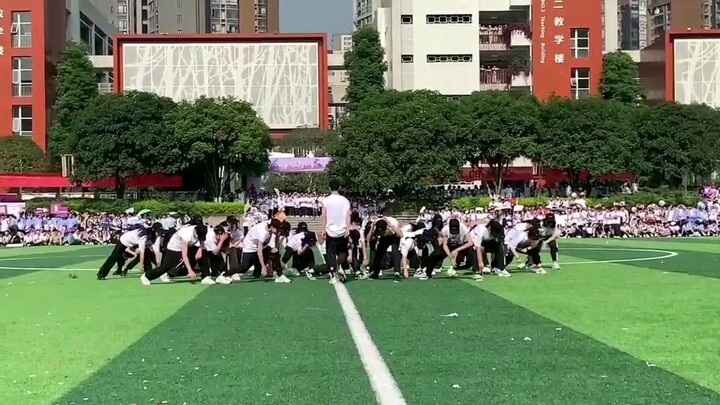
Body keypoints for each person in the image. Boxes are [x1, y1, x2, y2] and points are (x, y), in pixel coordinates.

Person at [216, 218, 284, 284]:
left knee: (274, 252)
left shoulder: (270, 224)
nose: (278, 231)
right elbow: (259, 251)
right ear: (272, 227)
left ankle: (279, 275)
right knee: (244, 267)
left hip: (258, 245)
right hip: (249, 247)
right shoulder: (262, 233)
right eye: (277, 229)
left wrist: (275, 247)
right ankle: (224, 275)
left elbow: (277, 235)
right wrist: (263, 267)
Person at [141, 224, 208, 285]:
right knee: (164, 267)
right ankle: (146, 276)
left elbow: (202, 243)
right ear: (195, 231)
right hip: (174, 248)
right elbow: (184, 255)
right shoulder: (186, 234)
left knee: (203, 254)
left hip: (190, 246)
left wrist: (200, 250)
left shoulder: (201, 231)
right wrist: (190, 270)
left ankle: (205, 277)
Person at [321, 179, 351, 284]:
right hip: (342, 230)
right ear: (339, 188)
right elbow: (348, 215)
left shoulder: (325, 200)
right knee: (343, 251)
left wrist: (323, 228)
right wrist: (348, 228)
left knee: (331, 253)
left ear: (329, 188)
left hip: (330, 230)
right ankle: (340, 266)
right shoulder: (345, 200)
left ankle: (333, 273)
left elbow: (324, 215)